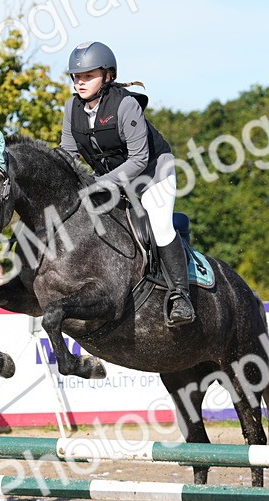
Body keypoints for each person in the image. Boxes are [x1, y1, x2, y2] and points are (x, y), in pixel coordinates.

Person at [58, 40, 193, 327]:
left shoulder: (125, 104)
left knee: (158, 224)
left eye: (88, 76)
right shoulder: (71, 108)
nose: (80, 82)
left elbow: (139, 159)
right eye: (76, 77)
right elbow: (67, 155)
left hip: (152, 172)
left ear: (107, 76)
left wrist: (99, 184)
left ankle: (181, 296)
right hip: (110, 179)